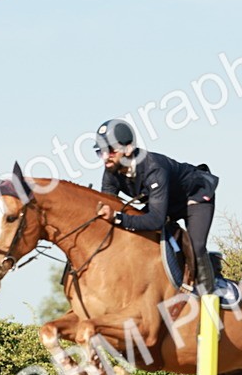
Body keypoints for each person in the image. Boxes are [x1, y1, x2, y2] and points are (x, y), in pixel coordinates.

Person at [93, 119, 223, 296]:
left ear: (129, 148)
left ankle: (209, 297)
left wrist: (117, 217)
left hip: (194, 198)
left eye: (111, 150)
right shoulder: (111, 171)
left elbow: (155, 220)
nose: (106, 157)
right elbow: (109, 205)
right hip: (165, 202)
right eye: (101, 151)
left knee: (196, 246)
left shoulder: (154, 168)